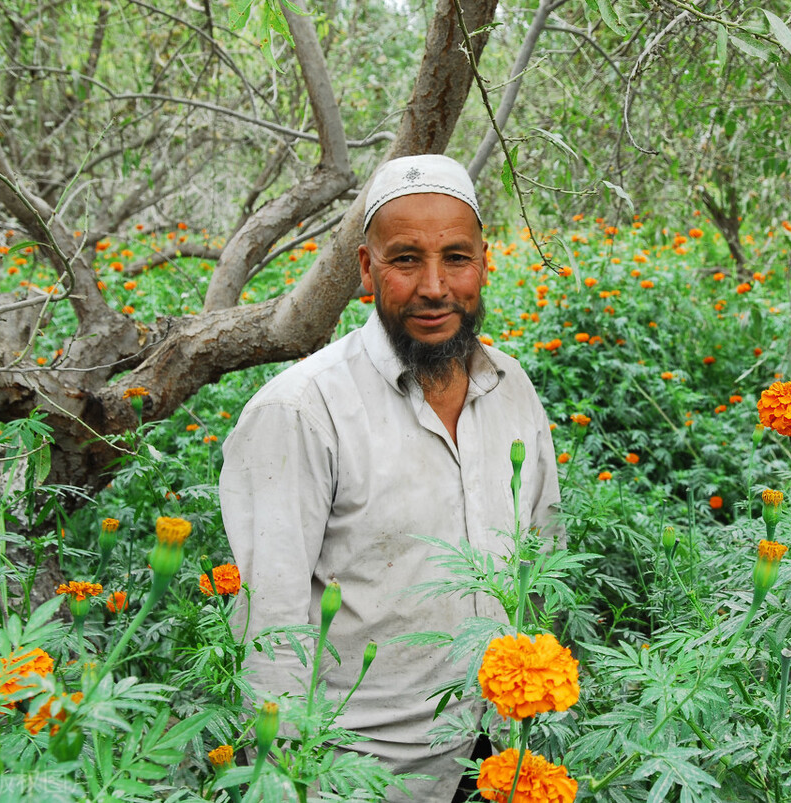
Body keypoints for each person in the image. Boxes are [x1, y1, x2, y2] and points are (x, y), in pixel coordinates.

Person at [219, 154, 561, 800]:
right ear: (367, 271)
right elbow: (272, 626)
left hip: (501, 755)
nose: (435, 285)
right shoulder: (302, 409)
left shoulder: (514, 389)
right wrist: (286, 781)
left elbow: (544, 564)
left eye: (455, 257)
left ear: (484, 262)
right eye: (406, 259)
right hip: (361, 774)